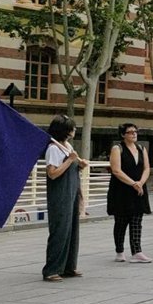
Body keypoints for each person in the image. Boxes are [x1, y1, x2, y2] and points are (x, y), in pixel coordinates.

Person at [43, 114, 87, 282]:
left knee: (72, 229)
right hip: (60, 193)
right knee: (60, 229)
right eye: (72, 128)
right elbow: (52, 173)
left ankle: (68, 266)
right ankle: (52, 269)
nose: (74, 130)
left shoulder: (66, 145)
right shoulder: (53, 148)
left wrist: (79, 164)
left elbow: (72, 164)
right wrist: (70, 161)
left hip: (72, 191)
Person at [107, 123, 152, 263]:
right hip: (122, 190)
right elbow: (116, 170)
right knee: (121, 221)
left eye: (135, 131)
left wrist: (140, 183)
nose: (134, 134)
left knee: (137, 220)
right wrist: (132, 183)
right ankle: (119, 251)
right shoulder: (117, 148)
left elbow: (146, 168)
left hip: (138, 190)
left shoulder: (141, 148)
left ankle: (137, 251)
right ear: (123, 135)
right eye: (130, 132)